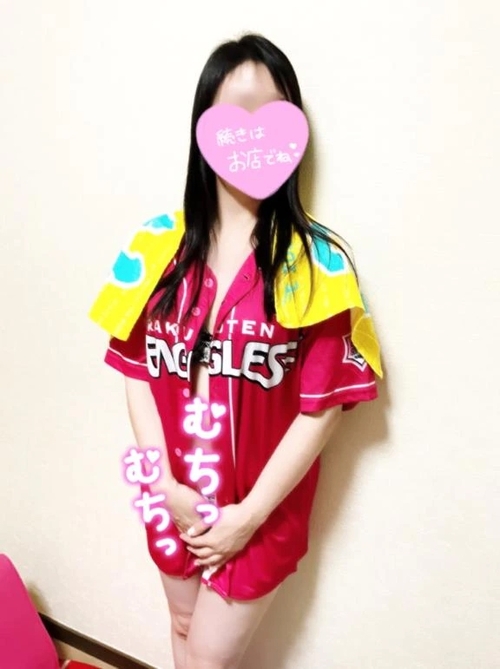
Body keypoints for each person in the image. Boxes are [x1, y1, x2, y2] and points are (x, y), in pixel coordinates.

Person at [102, 33, 381, 669]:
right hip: (170, 493)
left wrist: (247, 518)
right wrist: (164, 484)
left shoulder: (319, 263)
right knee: (181, 625)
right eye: (233, 114)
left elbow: (322, 408)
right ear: (204, 129)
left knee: (210, 658)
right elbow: (137, 371)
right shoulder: (154, 247)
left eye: (271, 113)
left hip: (258, 513)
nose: (251, 132)